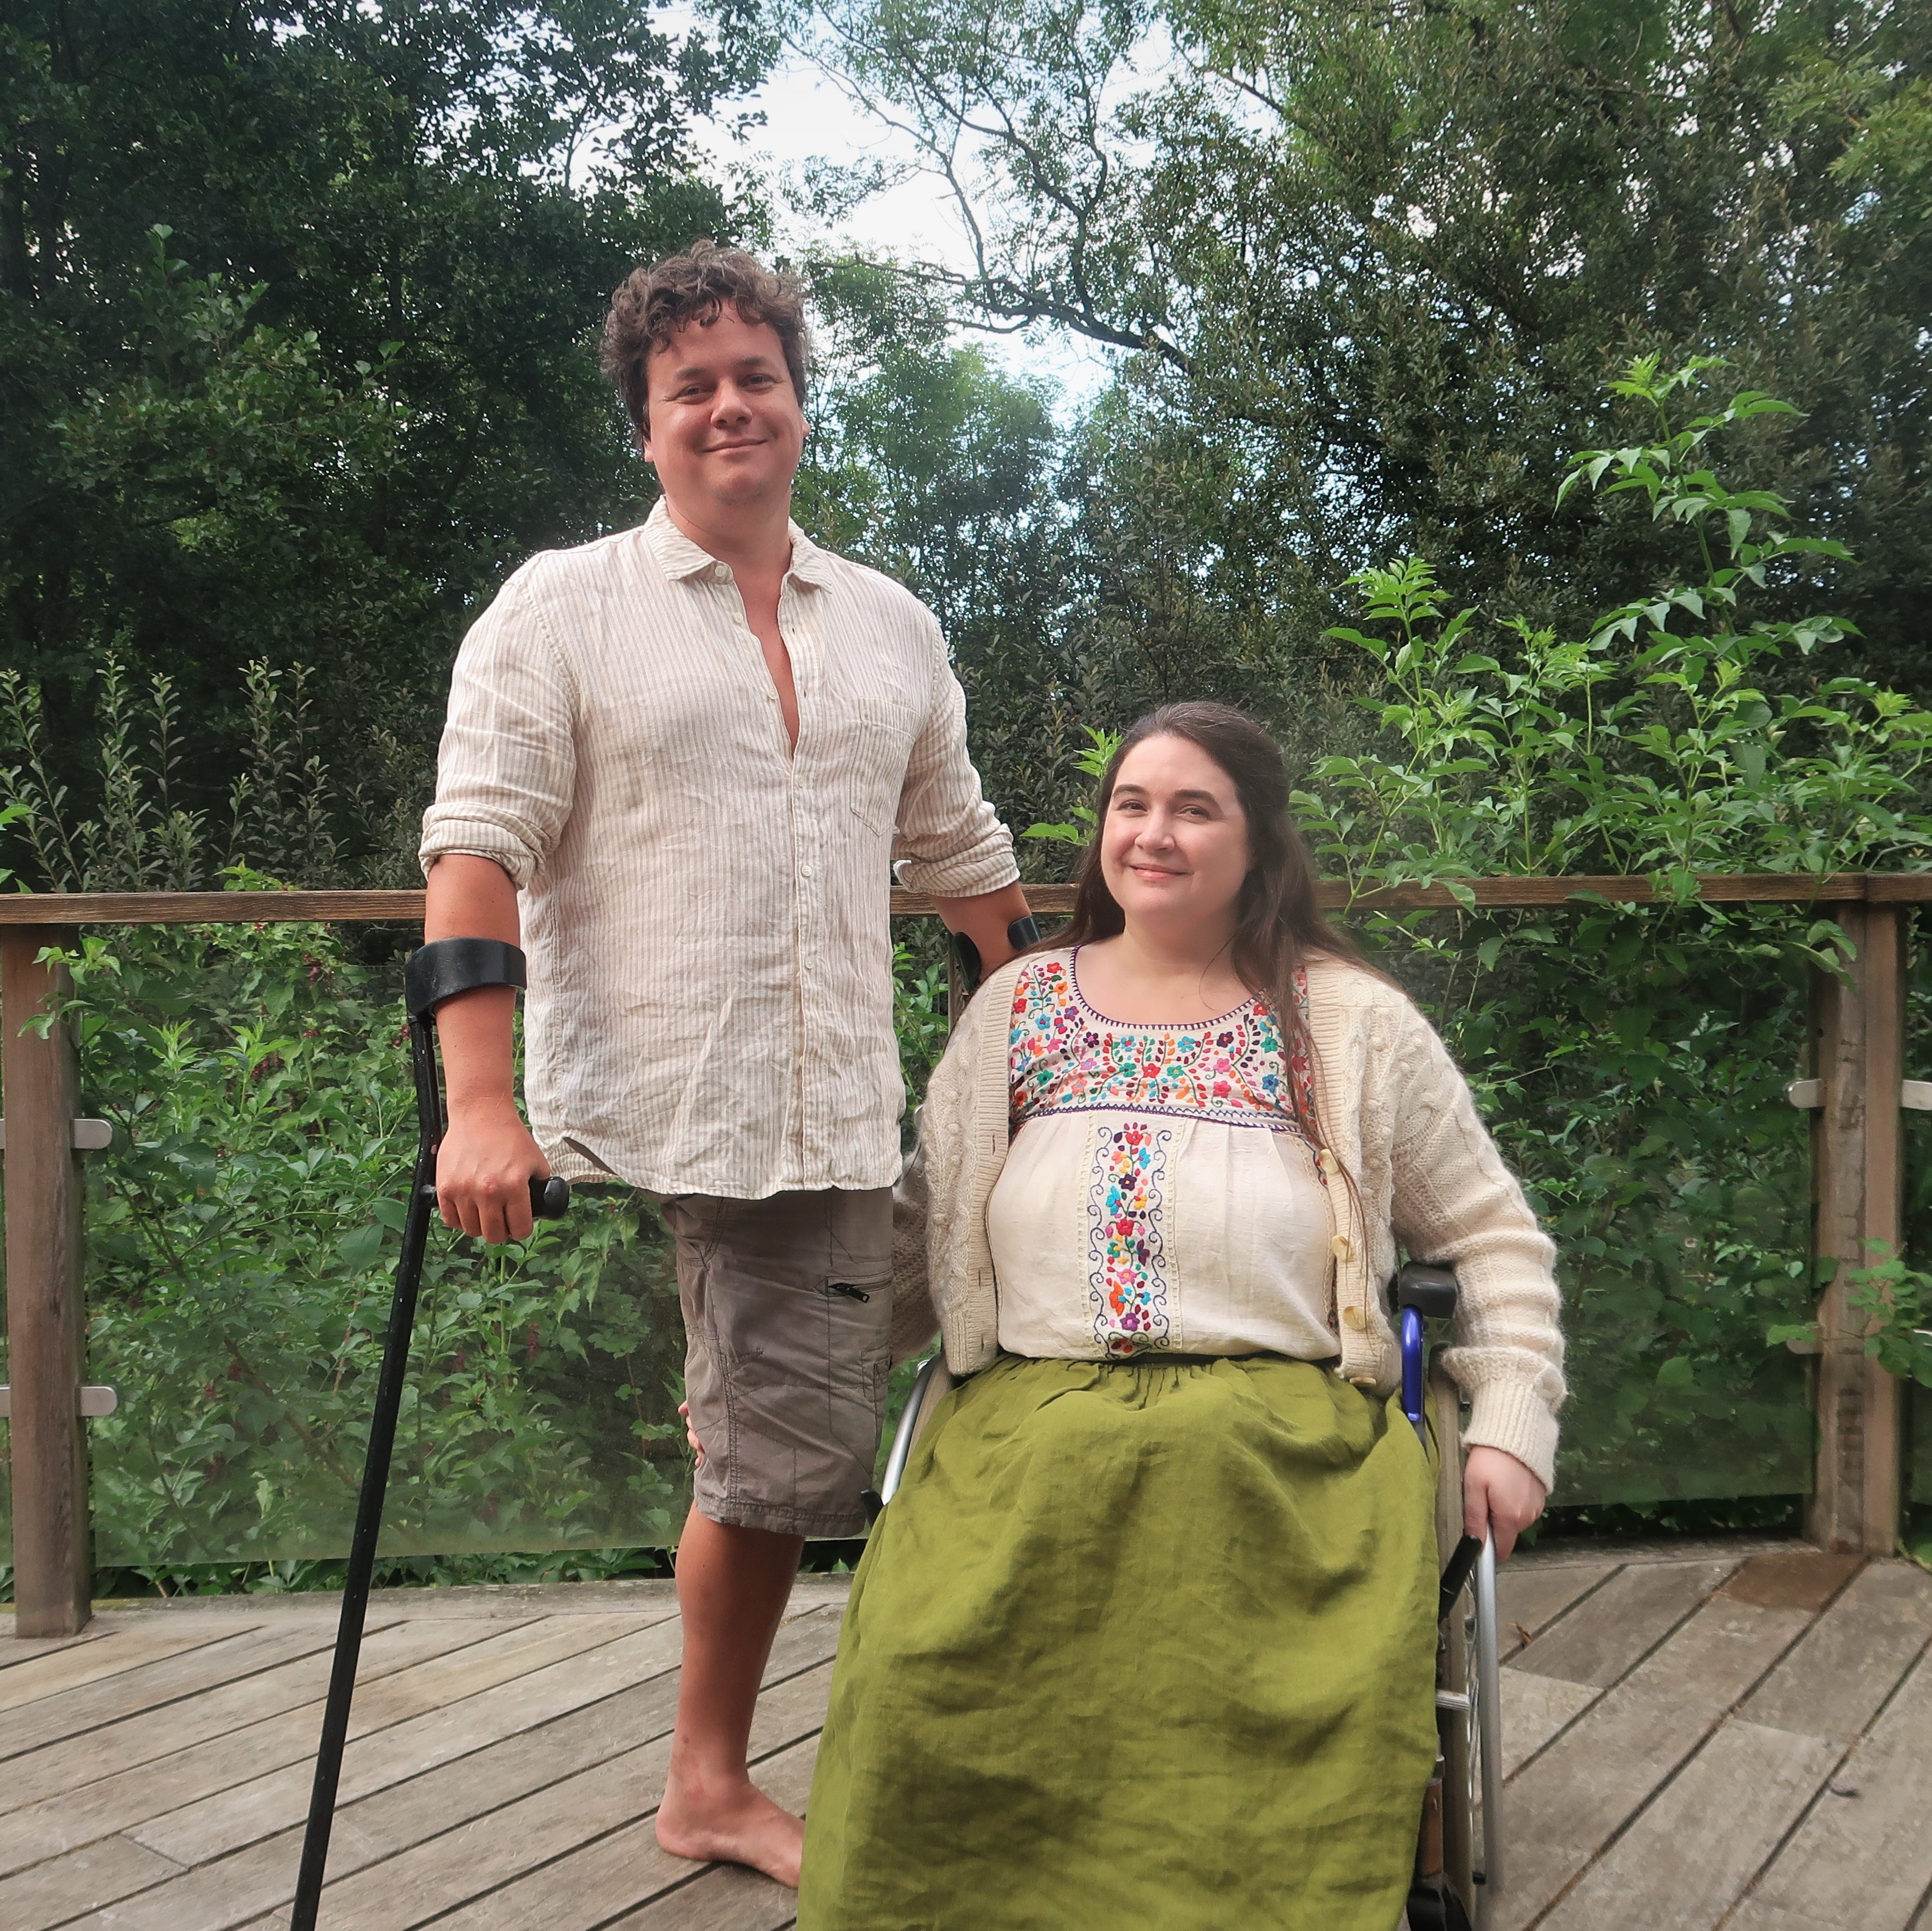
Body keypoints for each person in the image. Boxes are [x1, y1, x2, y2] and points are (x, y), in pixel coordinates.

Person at [416, 241, 1033, 1889]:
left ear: (799, 399)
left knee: (971, 1301)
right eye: (688, 385)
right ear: (645, 425)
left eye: (753, 373)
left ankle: (763, 1451)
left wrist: (1042, 1039)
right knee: (774, 1457)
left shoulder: (890, 625)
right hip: (682, 1099)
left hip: (840, 1097)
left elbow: (963, 853)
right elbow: (475, 855)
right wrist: (482, 1105)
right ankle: (705, 1783)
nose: (726, 404)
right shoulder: (562, 606)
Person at [797, 701, 1565, 1930]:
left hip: (1280, 1449)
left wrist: (1511, 1418)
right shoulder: (1016, 1011)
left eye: (1193, 809)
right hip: (1018, 1442)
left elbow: (1490, 1234)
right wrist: (796, 1385)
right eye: (1131, 804)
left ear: (1259, 845)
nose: (1152, 834)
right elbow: (913, 1239)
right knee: (914, 1669)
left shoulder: (1348, 1020)